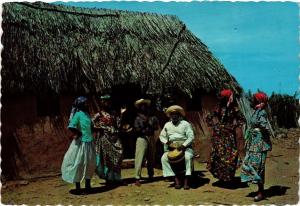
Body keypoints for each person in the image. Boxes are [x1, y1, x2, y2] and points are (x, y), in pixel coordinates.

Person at [206, 89, 245, 183]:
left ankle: (229, 177)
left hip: (230, 137)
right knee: (219, 156)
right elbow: (209, 117)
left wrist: (233, 126)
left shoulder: (234, 108)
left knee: (231, 156)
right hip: (219, 137)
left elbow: (242, 119)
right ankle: (222, 178)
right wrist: (215, 126)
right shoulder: (219, 107)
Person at [240, 92, 272, 202]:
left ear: (259, 101)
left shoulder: (262, 113)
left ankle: (261, 192)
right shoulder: (256, 111)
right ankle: (259, 189)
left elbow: (265, 127)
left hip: (260, 143)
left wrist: (258, 128)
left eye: (254, 99)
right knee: (248, 162)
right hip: (254, 142)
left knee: (259, 167)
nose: (252, 101)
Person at [61, 96, 96, 194]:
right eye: (85, 103)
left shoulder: (87, 114)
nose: (87, 104)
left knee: (89, 164)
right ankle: (78, 187)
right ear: (81, 104)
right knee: (78, 164)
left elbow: (91, 127)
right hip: (81, 144)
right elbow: (71, 126)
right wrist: (78, 133)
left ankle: (88, 185)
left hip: (89, 142)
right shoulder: (78, 114)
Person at [159, 105, 194, 190]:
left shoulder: (185, 124)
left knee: (187, 157)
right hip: (171, 148)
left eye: (176, 114)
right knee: (164, 158)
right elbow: (161, 136)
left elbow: (191, 136)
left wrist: (183, 146)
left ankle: (186, 180)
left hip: (184, 147)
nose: (174, 116)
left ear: (179, 115)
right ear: (170, 116)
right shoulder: (167, 125)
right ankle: (176, 179)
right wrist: (167, 142)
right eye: (172, 114)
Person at [92, 94, 124, 185]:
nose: (107, 103)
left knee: (119, 154)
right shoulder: (98, 114)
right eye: (105, 102)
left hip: (114, 137)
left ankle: (117, 176)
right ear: (102, 103)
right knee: (108, 158)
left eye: (108, 101)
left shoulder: (113, 113)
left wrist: (121, 115)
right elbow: (92, 124)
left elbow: (118, 124)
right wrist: (100, 128)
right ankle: (109, 177)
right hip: (104, 138)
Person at [133, 98, 159, 186]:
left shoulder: (153, 117)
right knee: (139, 158)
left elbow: (156, 127)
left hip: (151, 137)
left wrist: (150, 124)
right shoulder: (137, 118)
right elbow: (136, 129)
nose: (144, 107)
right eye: (142, 106)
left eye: (145, 105)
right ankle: (137, 177)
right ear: (139, 107)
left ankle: (151, 175)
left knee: (151, 157)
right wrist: (144, 124)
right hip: (142, 138)